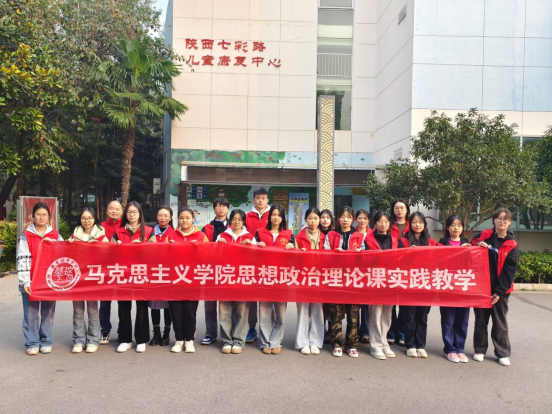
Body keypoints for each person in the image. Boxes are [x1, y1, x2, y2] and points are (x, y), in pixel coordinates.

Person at [471, 208, 519, 367]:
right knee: (480, 320)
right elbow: (470, 246)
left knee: (499, 322)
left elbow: (509, 271)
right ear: (493, 220)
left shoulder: (512, 244)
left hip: (501, 290)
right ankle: (479, 349)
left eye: (505, 219)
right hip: (481, 288)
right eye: (499, 218)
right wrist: (478, 245)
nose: (501, 221)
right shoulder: (485, 235)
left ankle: (502, 353)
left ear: (510, 222)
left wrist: (499, 292)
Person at [17, 202, 64, 355]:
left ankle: (46, 341)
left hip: (49, 281)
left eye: (44, 215)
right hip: (31, 281)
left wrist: (54, 244)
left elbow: (64, 252)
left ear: (49, 217)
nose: (41, 217)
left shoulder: (55, 235)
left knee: (48, 312)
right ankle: (32, 342)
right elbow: (22, 259)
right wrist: (25, 281)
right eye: (38, 214)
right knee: (30, 313)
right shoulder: (26, 236)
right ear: (33, 216)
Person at [112, 201, 154, 353]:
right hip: (123, 274)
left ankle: (141, 339)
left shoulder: (149, 231)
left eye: (135, 212)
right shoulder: (118, 232)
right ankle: (125, 339)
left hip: (141, 273)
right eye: (129, 212)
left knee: (142, 307)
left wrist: (142, 247)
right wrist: (115, 247)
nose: (131, 215)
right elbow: (109, 254)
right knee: (123, 307)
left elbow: (155, 252)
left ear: (140, 214)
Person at [324, 206, 365, 358]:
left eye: (348, 217)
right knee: (336, 313)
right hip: (336, 278)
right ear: (338, 218)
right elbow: (325, 253)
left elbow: (365, 257)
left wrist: (360, 254)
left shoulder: (360, 236)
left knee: (353, 314)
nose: (345, 219)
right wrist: (334, 254)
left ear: (353, 219)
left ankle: (352, 344)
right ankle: (337, 343)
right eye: (343, 216)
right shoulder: (331, 235)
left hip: (353, 279)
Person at [68, 207, 109, 353]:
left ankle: (93, 339)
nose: (87, 221)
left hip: (93, 277)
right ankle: (79, 340)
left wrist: (98, 247)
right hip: (77, 277)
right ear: (80, 219)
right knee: (77, 310)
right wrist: (68, 245)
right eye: (84, 218)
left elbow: (108, 255)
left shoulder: (102, 236)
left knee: (92, 310)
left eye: (90, 218)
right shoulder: (74, 235)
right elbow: (67, 255)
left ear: (95, 219)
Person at [255, 204, 294, 355]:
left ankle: (276, 341)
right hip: (264, 276)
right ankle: (265, 342)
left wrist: (292, 247)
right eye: (273, 214)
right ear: (269, 216)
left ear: (283, 217)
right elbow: (251, 253)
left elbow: (295, 258)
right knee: (264, 312)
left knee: (280, 313)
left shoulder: (289, 234)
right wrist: (257, 245)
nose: (276, 217)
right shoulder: (259, 232)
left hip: (282, 278)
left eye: (279, 215)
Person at [169, 207, 208, 353]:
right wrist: (169, 248)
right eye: (181, 218)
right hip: (175, 279)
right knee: (176, 312)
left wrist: (198, 249)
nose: (184, 220)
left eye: (187, 218)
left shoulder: (201, 236)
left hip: (193, 280)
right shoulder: (171, 235)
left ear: (193, 219)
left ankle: (189, 340)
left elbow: (208, 256)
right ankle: (179, 340)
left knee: (190, 311)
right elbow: (163, 256)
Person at [217, 209, 256, 354]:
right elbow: (214, 256)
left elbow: (256, 258)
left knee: (241, 311)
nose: (237, 222)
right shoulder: (222, 236)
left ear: (244, 221)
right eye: (234, 219)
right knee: (224, 311)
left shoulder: (250, 237)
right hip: (225, 277)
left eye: (239, 219)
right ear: (230, 220)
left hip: (242, 278)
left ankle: (239, 340)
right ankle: (226, 341)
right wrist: (219, 246)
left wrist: (251, 247)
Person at [399, 212, 436, 359]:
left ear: (424, 224)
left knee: (422, 317)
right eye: (414, 222)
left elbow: (437, 260)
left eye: (420, 222)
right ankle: (410, 345)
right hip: (409, 284)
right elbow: (398, 260)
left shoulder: (431, 241)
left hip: (426, 283)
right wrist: (408, 253)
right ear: (410, 224)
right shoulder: (404, 241)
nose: (417, 225)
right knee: (410, 317)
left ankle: (421, 345)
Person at [365, 211, 400, 360]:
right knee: (375, 313)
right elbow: (363, 260)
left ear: (390, 224)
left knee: (387, 314)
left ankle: (384, 342)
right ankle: (375, 345)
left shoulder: (395, 240)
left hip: (390, 280)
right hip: (375, 279)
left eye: (386, 221)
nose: (383, 224)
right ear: (375, 224)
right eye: (380, 221)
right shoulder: (368, 239)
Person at [437, 215, 471, 363]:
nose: (456, 228)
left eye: (459, 225)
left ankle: (460, 348)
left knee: (463, 319)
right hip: (447, 286)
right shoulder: (441, 244)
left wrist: (473, 250)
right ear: (447, 227)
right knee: (448, 319)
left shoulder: (468, 244)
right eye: (453, 225)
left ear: (462, 228)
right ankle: (449, 349)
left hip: (463, 287)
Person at [294, 208, 326, 355]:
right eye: (310, 218)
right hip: (303, 276)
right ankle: (302, 342)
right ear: (305, 220)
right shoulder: (298, 237)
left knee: (317, 310)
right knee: (302, 310)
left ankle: (315, 341)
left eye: (315, 218)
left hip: (320, 277)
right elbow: (293, 259)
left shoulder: (325, 237)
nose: (313, 221)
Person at [201, 197, 230, 346]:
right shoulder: (207, 228)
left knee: (226, 305)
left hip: (228, 270)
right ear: (214, 209)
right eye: (218, 206)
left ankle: (227, 335)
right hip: (210, 269)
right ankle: (210, 333)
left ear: (228, 209)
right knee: (210, 305)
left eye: (223, 206)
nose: (221, 208)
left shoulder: (233, 226)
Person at [147, 206, 177, 347]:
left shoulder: (175, 233)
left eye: (166, 215)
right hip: (153, 272)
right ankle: (156, 333)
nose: (163, 218)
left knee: (167, 305)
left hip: (169, 273)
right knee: (154, 305)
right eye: (160, 215)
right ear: (156, 217)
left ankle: (166, 333)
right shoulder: (150, 232)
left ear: (170, 218)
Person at [245, 188, 270, 344]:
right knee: (252, 298)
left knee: (268, 298)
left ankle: (267, 328)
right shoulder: (247, 217)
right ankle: (251, 327)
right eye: (258, 198)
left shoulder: (274, 215)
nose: (261, 200)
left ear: (267, 200)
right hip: (251, 261)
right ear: (253, 200)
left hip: (270, 262)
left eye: (263, 198)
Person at [99, 200, 123, 345]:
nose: (114, 211)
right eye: (111, 209)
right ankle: (105, 331)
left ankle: (122, 331)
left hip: (122, 269)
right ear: (107, 211)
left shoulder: (125, 226)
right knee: (104, 304)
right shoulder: (99, 227)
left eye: (117, 209)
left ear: (121, 212)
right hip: (104, 269)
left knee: (123, 304)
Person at [388, 199, 410, 346]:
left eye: (402, 207)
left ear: (407, 210)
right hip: (391, 267)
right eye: (396, 208)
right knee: (390, 303)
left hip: (407, 268)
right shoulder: (389, 225)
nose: (399, 210)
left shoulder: (412, 224)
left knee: (404, 303)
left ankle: (402, 333)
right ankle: (391, 332)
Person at [354, 209, 372, 344]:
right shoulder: (352, 233)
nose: (362, 221)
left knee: (366, 304)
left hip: (369, 272)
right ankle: (354, 331)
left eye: (365, 218)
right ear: (355, 220)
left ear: (368, 220)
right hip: (354, 272)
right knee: (354, 304)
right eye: (360, 218)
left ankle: (365, 331)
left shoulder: (373, 234)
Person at [319, 209, 335, 344]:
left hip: (332, 273)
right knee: (320, 304)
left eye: (327, 217)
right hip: (318, 272)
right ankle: (321, 330)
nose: (325, 220)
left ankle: (331, 331)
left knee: (331, 304)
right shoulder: (314, 233)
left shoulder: (335, 234)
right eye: (322, 217)